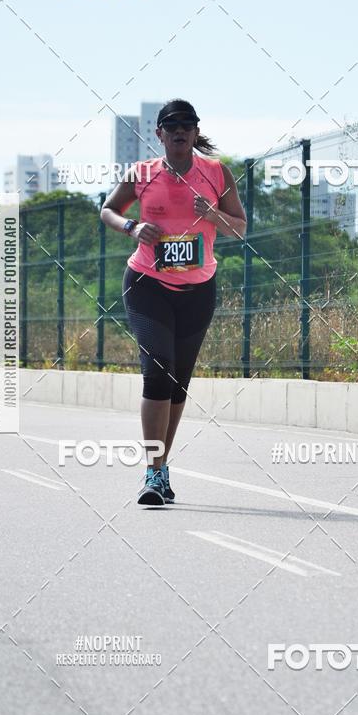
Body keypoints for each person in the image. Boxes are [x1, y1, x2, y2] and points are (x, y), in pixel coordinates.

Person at [100, 100, 247, 506]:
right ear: (160, 134)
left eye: (188, 124)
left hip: (198, 290)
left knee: (178, 380)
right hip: (148, 284)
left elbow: (240, 228)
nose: (180, 130)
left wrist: (214, 215)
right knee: (157, 370)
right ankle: (152, 470)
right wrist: (132, 226)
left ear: (196, 132)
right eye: (172, 125)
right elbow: (108, 210)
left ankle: (161, 468)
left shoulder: (217, 174)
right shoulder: (143, 173)